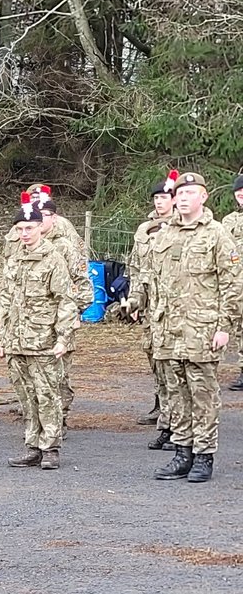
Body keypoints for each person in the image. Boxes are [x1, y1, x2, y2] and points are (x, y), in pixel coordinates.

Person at [126, 172, 243, 483]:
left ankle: (204, 455)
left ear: (203, 197)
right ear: (175, 199)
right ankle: (182, 452)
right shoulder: (163, 235)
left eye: (193, 192)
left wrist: (224, 326)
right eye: (181, 192)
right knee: (176, 395)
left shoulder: (217, 234)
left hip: (201, 329)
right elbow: (148, 275)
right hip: (167, 329)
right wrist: (136, 299)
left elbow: (232, 284)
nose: (185, 197)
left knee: (203, 394)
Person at [0, 194, 77, 470]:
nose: (24, 233)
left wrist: (63, 338)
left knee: (47, 395)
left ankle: (50, 447)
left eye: (29, 228)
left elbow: (65, 300)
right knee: (26, 397)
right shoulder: (14, 260)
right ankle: (33, 445)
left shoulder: (53, 259)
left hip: (43, 341)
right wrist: (2, 338)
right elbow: (6, 300)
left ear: (40, 226)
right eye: (19, 229)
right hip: (16, 342)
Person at [130, 171, 177, 443]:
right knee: (155, 358)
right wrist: (135, 300)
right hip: (151, 307)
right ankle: (163, 411)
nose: (160, 202)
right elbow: (136, 268)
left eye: (164, 197)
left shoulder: (179, 227)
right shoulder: (144, 229)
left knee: (173, 364)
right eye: (156, 198)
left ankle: (174, 425)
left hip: (173, 306)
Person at [39, 194, 93, 424]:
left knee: (58, 372)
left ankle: (59, 418)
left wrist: (75, 314)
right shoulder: (26, 247)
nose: (40, 220)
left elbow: (83, 286)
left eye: (45, 216)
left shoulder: (66, 247)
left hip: (61, 319)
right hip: (34, 323)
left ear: (54, 217)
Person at [222, 175, 243, 391]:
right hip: (236, 283)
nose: (242, 195)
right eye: (238, 192)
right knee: (240, 329)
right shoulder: (228, 221)